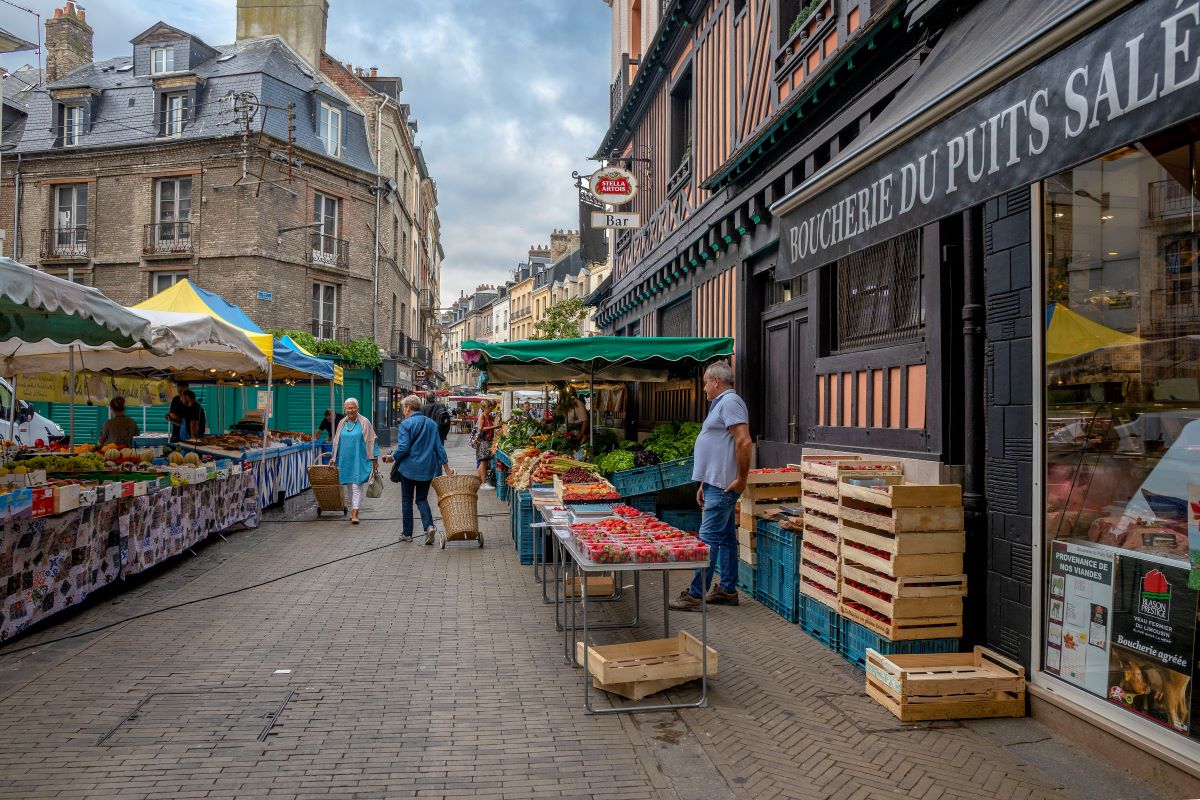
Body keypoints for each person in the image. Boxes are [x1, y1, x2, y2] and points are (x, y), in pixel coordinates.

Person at [670, 361, 752, 611]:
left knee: (707, 540)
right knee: (725, 538)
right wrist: (704, 482)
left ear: (716, 381)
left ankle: (695, 594)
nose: (704, 388)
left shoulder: (730, 402)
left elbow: (744, 442)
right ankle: (727, 590)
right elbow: (719, 446)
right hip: (715, 484)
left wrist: (741, 479)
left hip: (724, 485)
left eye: (706, 382)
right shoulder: (723, 404)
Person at [383, 394, 449, 545]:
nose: (403, 411)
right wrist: (446, 467)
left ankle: (407, 533)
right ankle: (429, 526)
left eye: (403, 408)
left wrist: (391, 457)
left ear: (408, 407)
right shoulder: (432, 424)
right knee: (421, 499)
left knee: (407, 500)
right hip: (427, 469)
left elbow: (403, 448)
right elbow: (439, 448)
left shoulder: (406, 425)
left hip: (408, 469)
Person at [331, 398, 380, 525]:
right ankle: (354, 508)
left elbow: (372, 440)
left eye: (353, 407)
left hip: (360, 458)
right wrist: (333, 457)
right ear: (345, 409)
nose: (351, 410)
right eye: (348, 408)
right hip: (345, 459)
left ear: (357, 408)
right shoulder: (342, 423)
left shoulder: (364, 422)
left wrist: (375, 458)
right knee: (349, 485)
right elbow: (337, 441)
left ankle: (355, 513)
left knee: (356, 484)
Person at [474, 399, 498, 487]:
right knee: (483, 462)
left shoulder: (489, 416)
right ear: (485, 408)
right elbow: (480, 429)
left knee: (484, 462)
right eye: (489, 407)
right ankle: (483, 483)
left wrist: (498, 417)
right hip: (483, 441)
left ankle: (478, 481)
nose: (491, 409)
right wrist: (494, 427)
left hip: (488, 441)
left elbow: (496, 420)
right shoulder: (482, 416)